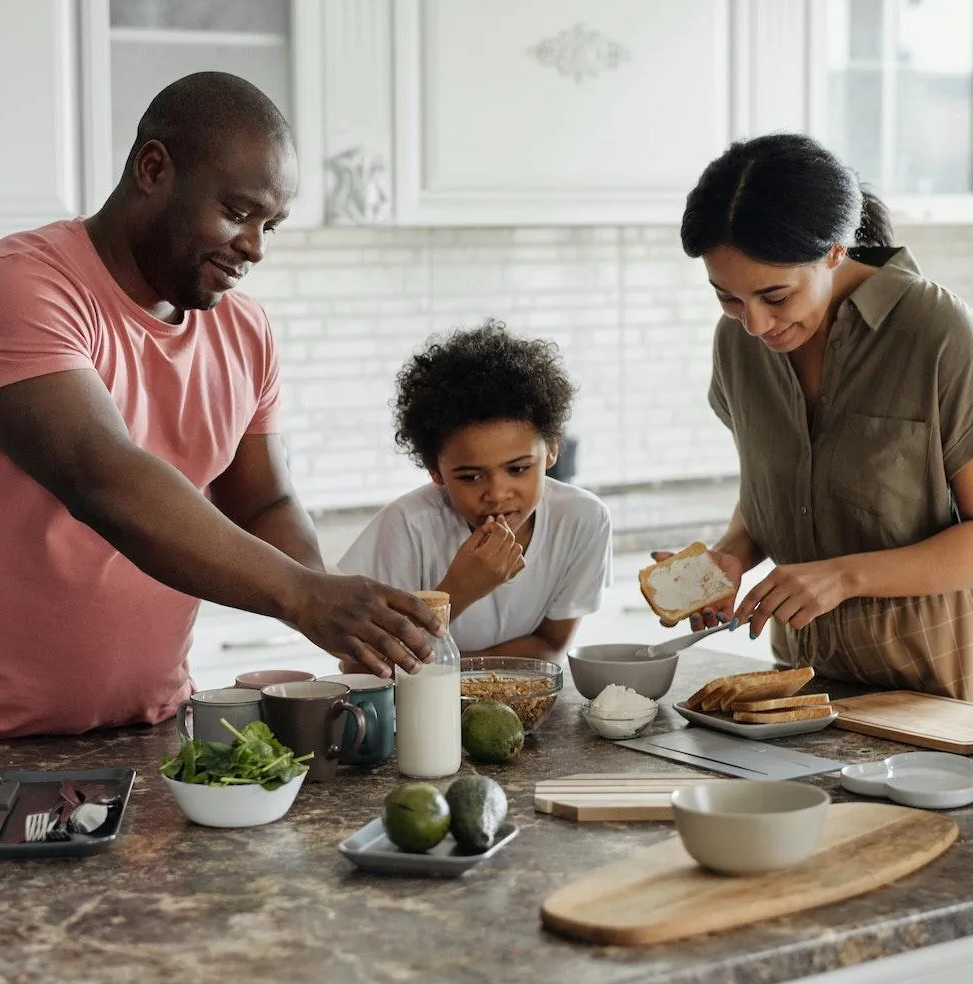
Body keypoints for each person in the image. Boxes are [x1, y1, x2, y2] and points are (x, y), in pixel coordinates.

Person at [0, 72, 442, 739]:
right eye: (238, 212)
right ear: (154, 168)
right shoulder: (19, 284)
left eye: (269, 225)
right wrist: (303, 597)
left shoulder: (243, 330)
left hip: (156, 727)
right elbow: (97, 474)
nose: (255, 247)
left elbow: (264, 504)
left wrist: (351, 624)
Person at [676, 131, 973, 698]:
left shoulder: (935, 332)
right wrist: (731, 558)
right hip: (800, 689)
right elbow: (778, 489)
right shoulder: (737, 343)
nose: (756, 324)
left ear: (836, 251)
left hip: (936, 694)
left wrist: (843, 577)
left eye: (776, 296)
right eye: (728, 298)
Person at [338, 320, 612, 664]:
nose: (497, 494)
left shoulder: (582, 520)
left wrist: (449, 666)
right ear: (435, 470)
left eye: (518, 469)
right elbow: (362, 663)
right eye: (470, 477)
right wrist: (460, 589)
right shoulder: (407, 527)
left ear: (553, 449)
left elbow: (549, 646)